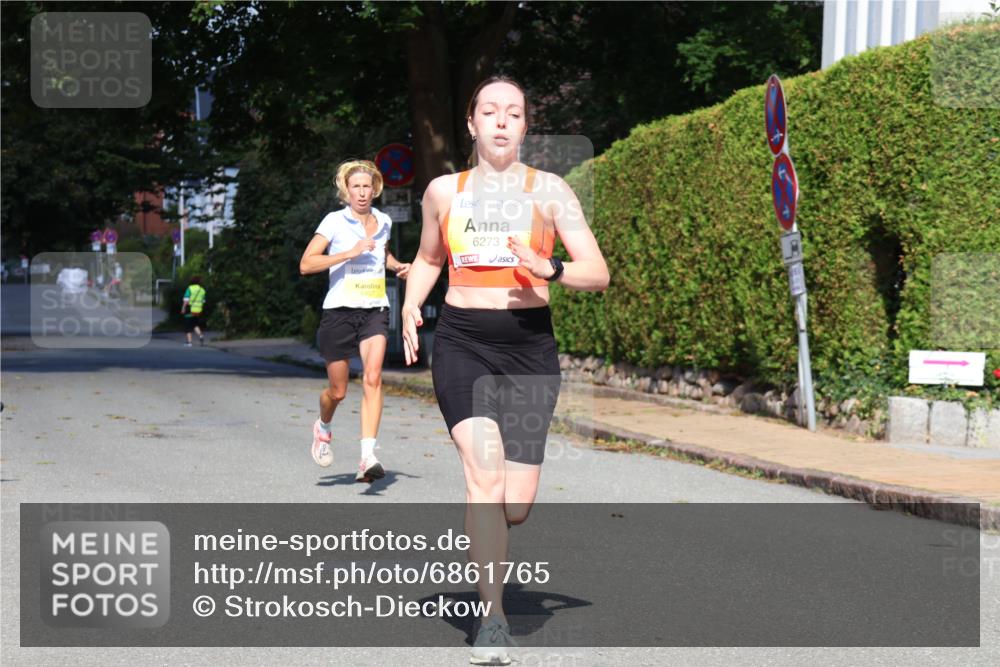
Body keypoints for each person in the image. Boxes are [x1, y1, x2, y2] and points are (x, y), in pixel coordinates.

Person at [400, 76, 609, 665]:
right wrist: (412, 303)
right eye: (489, 111)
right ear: (471, 124)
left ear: (524, 127)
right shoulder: (444, 192)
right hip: (463, 343)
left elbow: (597, 272)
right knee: (484, 478)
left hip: (528, 349)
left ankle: (489, 524)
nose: (500, 120)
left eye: (512, 113)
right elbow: (428, 258)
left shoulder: (551, 192)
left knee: (514, 503)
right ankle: (492, 619)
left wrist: (551, 268)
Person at [299, 159, 411, 482]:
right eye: (356, 187)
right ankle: (323, 427)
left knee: (373, 378)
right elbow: (306, 264)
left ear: (375, 190)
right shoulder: (334, 222)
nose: (361, 192)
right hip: (339, 311)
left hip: (374, 309)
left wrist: (397, 266)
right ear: (346, 191)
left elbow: (381, 254)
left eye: (366, 187)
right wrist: (348, 253)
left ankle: (367, 456)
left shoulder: (384, 220)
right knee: (338, 392)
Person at [181, 276, 207, 347]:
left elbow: (186, 300)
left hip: (190, 309)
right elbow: (203, 301)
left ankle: (189, 342)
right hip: (198, 310)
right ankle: (201, 335)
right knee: (195, 324)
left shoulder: (190, 288)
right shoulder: (202, 290)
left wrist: (183, 308)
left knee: (188, 326)